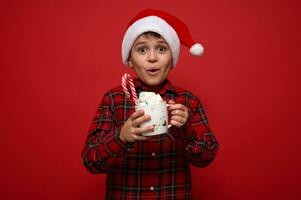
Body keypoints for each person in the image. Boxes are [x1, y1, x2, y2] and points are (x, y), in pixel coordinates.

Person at [81, 9, 219, 200]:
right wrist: (121, 137)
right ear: (129, 59)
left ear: (172, 59)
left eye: (161, 49)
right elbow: (90, 160)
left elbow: (207, 156)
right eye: (142, 49)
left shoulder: (187, 101)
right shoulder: (115, 99)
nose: (152, 57)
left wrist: (185, 130)